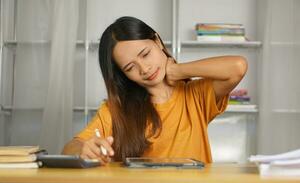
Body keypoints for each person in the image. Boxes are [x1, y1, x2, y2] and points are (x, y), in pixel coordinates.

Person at [62, 16, 248, 165]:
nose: (144, 69)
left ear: (157, 41)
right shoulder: (115, 109)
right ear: (123, 75)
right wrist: (83, 149)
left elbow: (237, 67)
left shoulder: (195, 95)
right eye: (130, 68)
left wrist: (177, 70)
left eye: (145, 54)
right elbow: (70, 148)